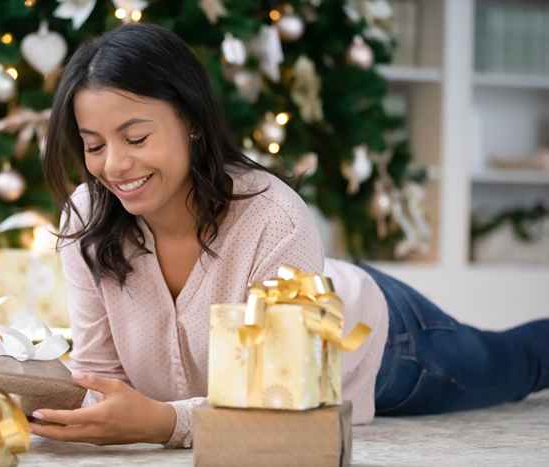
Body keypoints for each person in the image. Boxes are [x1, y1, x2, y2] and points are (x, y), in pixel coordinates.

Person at [34, 23, 549, 448]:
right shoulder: (88, 220)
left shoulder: (273, 217)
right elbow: (98, 375)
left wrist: (168, 424)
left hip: (382, 342)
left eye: (136, 137)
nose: (114, 165)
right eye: (93, 145)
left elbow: (281, 399)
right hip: (313, 282)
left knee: (515, 364)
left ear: (190, 122)